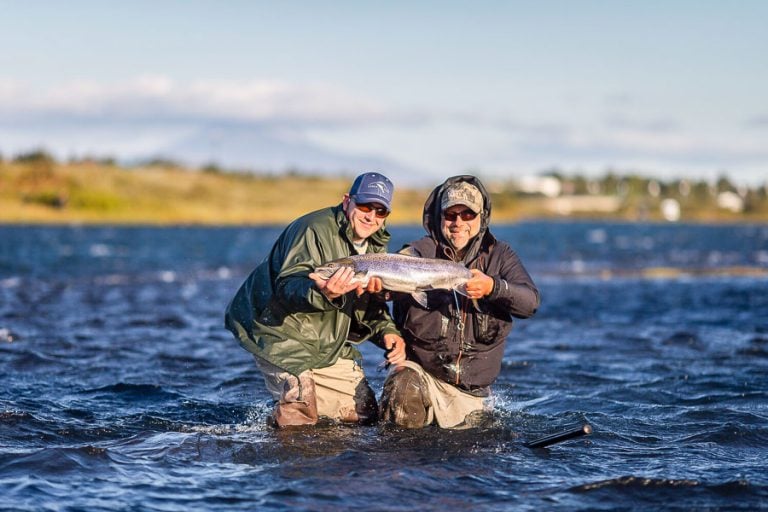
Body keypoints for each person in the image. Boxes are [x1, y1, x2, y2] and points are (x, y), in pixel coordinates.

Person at [225, 172, 406, 428]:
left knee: (363, 416)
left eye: (380, 212)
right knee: (300, 409)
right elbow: (288, 285)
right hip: (277, 330)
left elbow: (363, 305)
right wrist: (324, 292)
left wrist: (386, 331)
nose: (371, 217)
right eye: (365, 206)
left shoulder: (375, 246)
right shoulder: (312, 229)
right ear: (347, 202)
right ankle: (283, 459)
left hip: (325, 340)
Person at [380, 175, 540, 429]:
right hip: (422, 379)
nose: (458, 223)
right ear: (438, 217)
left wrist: (493, 287)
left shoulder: (501, 256)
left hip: (472, 394)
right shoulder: (415, 253)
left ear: (481, 217)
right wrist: (383, 299)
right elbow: (381, 295)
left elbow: (530, 303)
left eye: (468, 215)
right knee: (403, 383)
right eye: (450, 215)